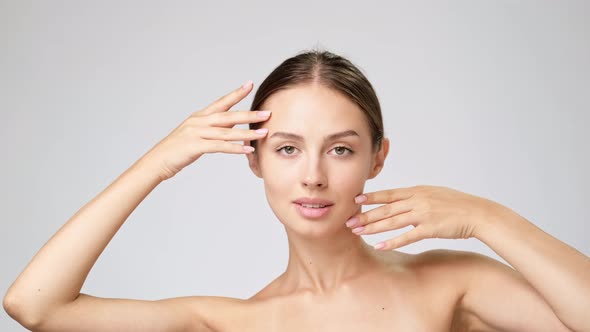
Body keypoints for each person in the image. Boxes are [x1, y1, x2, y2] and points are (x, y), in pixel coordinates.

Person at [3, 49, 589, 332]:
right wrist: (161, 161)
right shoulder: (233, 322)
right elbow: (36, 305)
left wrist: (489, 219)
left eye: (340, 149)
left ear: (377, 159)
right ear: (253, 160)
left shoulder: (449, 283)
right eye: (286, 148)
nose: (312, 176)